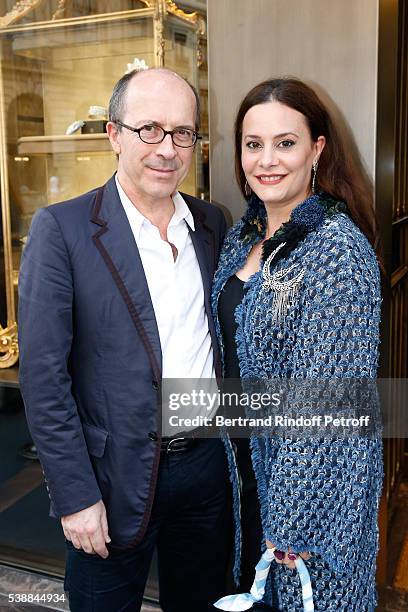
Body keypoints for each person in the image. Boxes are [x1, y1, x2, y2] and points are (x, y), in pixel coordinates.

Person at [18, 67, 231, 612]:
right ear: (114, 134)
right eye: (149, 130)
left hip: (206, 470)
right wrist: (75, 496)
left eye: (183, 133)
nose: (167, 149)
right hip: (111, 482)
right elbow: (44, 378)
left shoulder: (211, 223)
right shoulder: (61, 230)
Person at [211, 78, 383, 610]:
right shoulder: (245, 234)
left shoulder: (337, 250)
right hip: (245, 475)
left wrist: (291, 520)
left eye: (285, 142)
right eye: (252, 143)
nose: (266, 160)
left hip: (310, 500)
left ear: (317, 148)